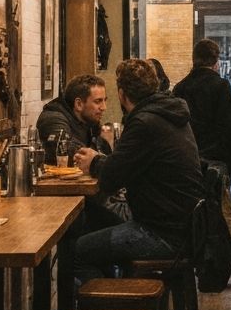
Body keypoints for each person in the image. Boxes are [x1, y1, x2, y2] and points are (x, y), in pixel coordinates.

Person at [73, 58, 206, 283]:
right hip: (182, 228)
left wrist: (94, 162)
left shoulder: (145, 122)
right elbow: (123, 167)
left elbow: (111, 179)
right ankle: (120, 302)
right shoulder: (168, 114)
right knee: (98, 224)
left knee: (77, 252)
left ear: (122, 94)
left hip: (162, 234)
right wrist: (103, 161)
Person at [173, 39, 231, 177]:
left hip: (187, 160)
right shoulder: (221, 86)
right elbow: (228, 127)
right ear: (216, 62)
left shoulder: (180, 87)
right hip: (215, 161)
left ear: (194, 60)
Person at [36, 74, 114, 157]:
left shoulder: (90, 122)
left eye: (104, 100)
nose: (104, 107)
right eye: (98, 101)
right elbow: (67, 150)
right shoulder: (53, 119)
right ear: (79, 104)